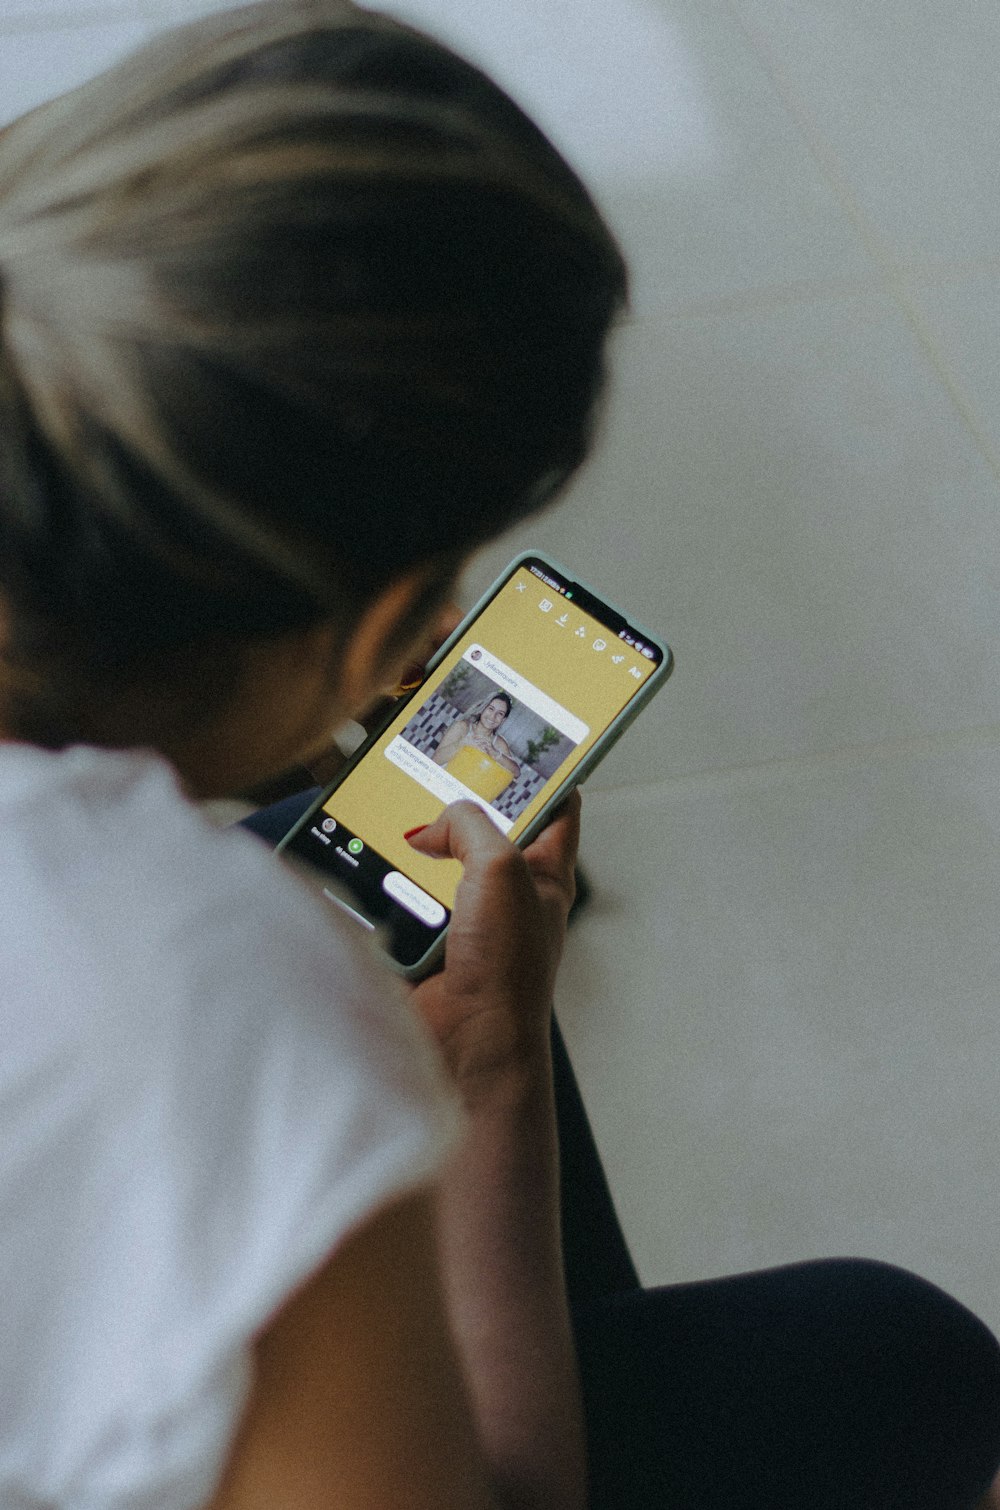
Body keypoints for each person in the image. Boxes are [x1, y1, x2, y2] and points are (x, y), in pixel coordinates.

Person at [0, 3, 997, 1508]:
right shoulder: (207, 995)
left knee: (312, 840)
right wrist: (490, 1064)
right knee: (891, 1352)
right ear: (391, 624)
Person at [432, 691, 522, 776]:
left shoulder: (498, 743)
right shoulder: (462, 727)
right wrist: (463, 743)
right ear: (483, 708)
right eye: (491, 709)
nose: (493, 716)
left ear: (503, 720)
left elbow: (516, 773)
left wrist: (495, 753)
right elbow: (435, 760)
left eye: (500, 714)